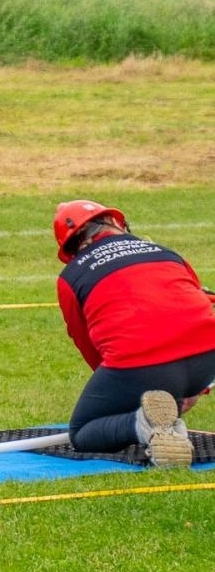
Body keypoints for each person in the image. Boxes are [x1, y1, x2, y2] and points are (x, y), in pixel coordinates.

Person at [55, 199, 215, 467]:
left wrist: (126, 394)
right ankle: (168, 424)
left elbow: (87, 344)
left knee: (82, 432)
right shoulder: (166, 252)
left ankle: (144, 425)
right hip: (207, 356)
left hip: (138, 363)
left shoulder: (69, 277)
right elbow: (197, 306)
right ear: (116, 222)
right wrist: (196, 386)